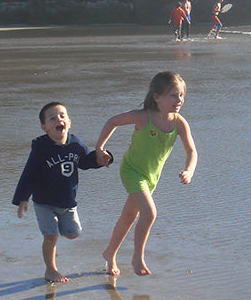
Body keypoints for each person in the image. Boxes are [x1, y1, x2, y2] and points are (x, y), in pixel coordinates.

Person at [94, 71, 197, 276]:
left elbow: (192, 151)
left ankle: (109, 254)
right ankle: (137, 258)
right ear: (157, 97)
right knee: (150, 214)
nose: (179, 100)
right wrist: (100, 148)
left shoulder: (179, 123)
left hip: (151, 177)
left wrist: (189, 170)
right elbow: (113, 121)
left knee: (129, 217)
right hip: (132, 171)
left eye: (181, 95)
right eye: (173, 95)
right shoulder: (143, 117)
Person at [13, 102, 113, 283]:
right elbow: (29, 173)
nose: (58, 119)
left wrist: (101, 159)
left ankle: (58, 228)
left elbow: (84, 162)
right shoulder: (41, 149)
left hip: (68, 202)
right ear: (45, 127)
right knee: (50, 236)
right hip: (44, 202)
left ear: (69, 121)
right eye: (52, 118)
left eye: (62, 116)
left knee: (73, 234)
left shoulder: (76, 144)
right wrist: (22, 199)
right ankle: (51, 270)